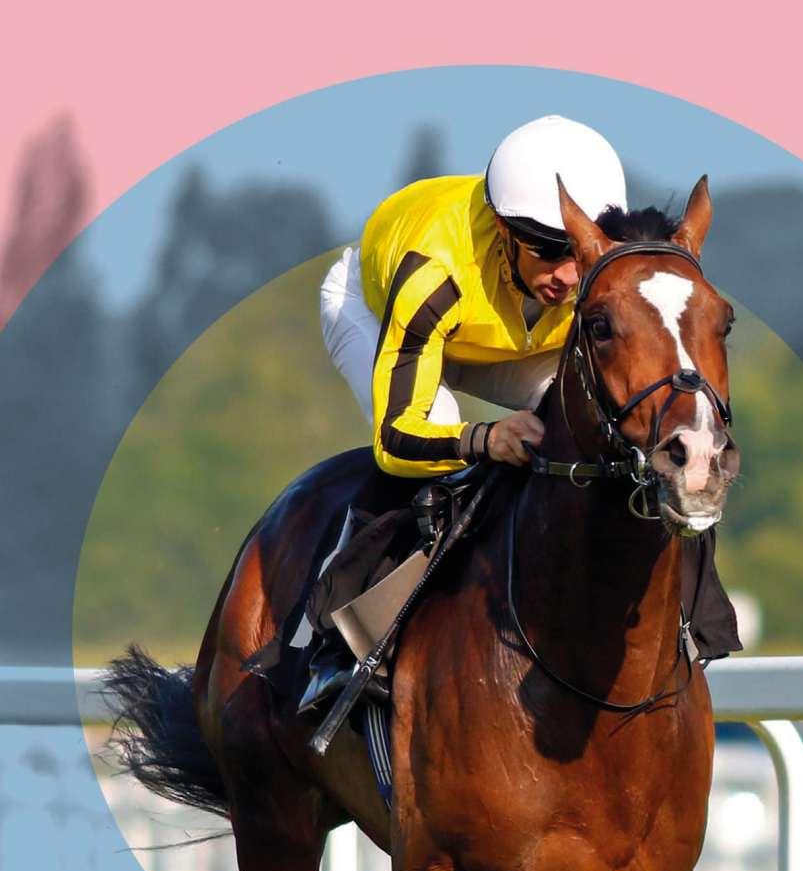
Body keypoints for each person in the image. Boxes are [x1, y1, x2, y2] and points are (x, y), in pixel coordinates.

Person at [301, 115, 739, 714]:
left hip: (514, 338)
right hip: (385, 314)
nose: (567, 274)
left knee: (618, 433)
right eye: (548, 252)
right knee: (429, 454)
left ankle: (693, 619)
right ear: (505, 233)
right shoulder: (433, 276)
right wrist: (482, 439)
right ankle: (336, 645)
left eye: (576, 251)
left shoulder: (599, 270)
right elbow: (397, 436)